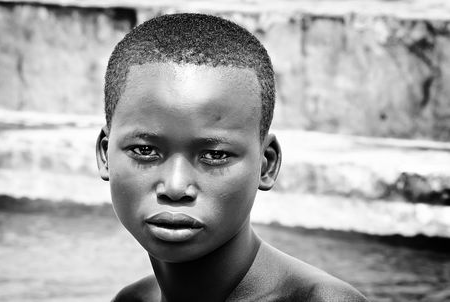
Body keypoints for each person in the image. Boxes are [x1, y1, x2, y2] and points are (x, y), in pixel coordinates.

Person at [96, 13, 369, 302]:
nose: (175, 187)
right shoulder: (132, 300)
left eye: (215, 155)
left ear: (267, 164)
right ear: (105, 154)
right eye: (145, 151)